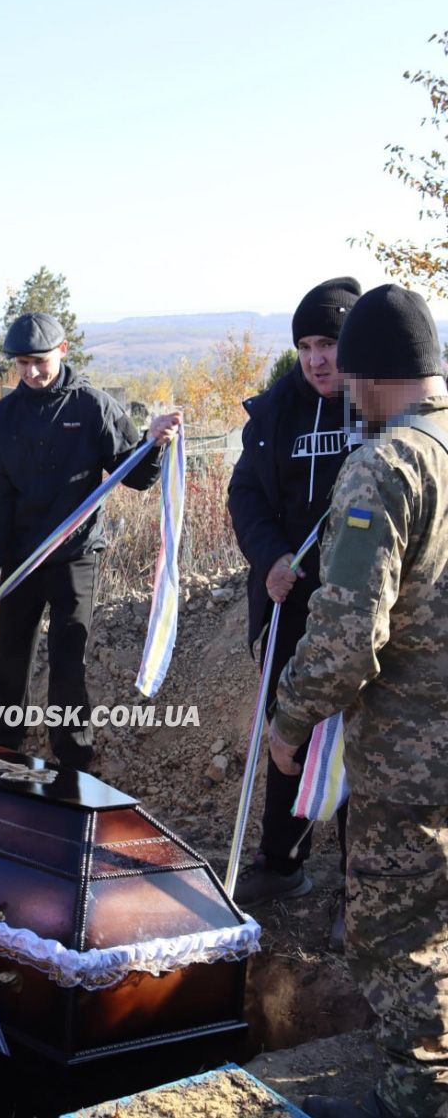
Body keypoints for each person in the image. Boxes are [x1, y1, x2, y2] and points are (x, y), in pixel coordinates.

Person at [269, 284, 448, 1118]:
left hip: (413, 758)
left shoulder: (386, 464)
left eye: (349, 381)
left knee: (403, 940)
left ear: (373, 378)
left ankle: (420, 1093)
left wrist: (290, 717)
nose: (341, 393)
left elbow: (345, 635)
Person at [0, 312, 181, 771]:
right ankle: (4, 753)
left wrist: (154, 443)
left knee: (69, 662)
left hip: (75, 556)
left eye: (39, 361)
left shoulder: (93, 407)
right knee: (10, 662)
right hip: (20, 560)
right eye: (22, 363)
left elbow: (136, 476)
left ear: (62, 352)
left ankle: (73, 764)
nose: (30, 372)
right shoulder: (3, 418)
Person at [227, 277, 361, 935]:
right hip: (289, 598)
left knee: (360, 736)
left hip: (365, 606)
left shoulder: (376, 406)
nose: (316, 359)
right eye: (306, 345)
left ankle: (359, 885)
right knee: (289, 727)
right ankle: (282, 862)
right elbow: (246, 494)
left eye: (329, 343)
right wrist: (271, 557)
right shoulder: (278, 408)